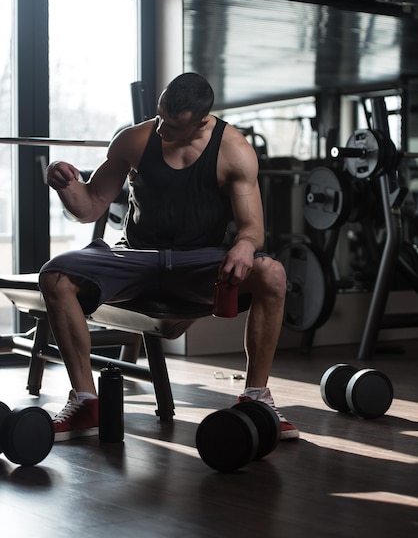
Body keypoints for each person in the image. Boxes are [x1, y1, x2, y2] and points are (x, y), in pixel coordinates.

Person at [39, 72, 299, 442]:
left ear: (201, 122)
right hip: (137, 257)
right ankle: (86, 403)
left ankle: (256, 398)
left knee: (271, 273)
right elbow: (90, 206)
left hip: (200, 264)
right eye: (159, 117)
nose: (161, 130)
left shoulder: (233, 150)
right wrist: (63, 183)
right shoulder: (133, 140)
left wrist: (243, 246)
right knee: (55, 275)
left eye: (173, 126)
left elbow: (252, 228)